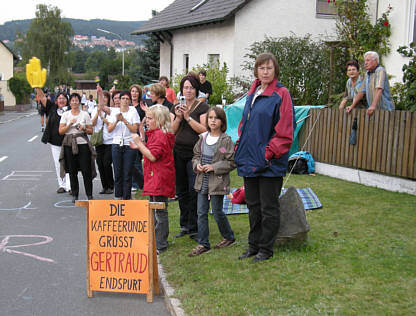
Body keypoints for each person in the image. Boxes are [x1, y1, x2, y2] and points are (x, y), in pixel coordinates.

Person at [234, 53, 296, 262]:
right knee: (253, 205)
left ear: (275, 70)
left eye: (269, 68)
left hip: (269, 162)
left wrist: (268, 153)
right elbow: (245, 125)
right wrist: (240, 145)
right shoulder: (253, 93)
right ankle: (253, 245)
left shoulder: (281, 94)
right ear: (256, 71)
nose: (266, 72)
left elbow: (286, 130)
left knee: (269, 207)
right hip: (249, 159)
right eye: (262, 68)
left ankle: (266, 249)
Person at [188, 107, 236, 257]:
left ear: (222, 121)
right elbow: (195, 155)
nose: (213, 121)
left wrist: (214, 167)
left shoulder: (225, 140)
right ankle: (203, 243)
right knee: (201, 212)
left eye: (216, 118)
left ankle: (228, 236)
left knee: (216, 211)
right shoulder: (202, 138)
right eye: (210, 118)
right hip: (202, 180)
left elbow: (231, 162)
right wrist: (197, 165)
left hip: (218, 181)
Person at [130, 104, 175, 253]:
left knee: (159, 211)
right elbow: (152, 150)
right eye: (146, 118)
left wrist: (138, 143)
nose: (146, 121)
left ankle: (160, 244)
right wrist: (141, 146)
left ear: (160, 120)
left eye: (150, 118)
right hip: (156, 177)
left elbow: (152, 156)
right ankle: (156, 240)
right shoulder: (156, 134)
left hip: (159, 178)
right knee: (155, 210)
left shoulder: (160, 135)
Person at [171, 75, 209, 240]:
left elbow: (204, 130)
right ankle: (184, 224)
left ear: (196, 89)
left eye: (191, 87)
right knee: (181, 190)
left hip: (195, 154)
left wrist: (188, 118)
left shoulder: (202, 107)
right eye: (185, 88)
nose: (188, 90)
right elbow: (172, 131)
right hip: (178, 152)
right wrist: (179, 118)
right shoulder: (177, 107)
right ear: (181, 90)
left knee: (194, 189)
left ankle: (194, 226)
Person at [59, 93, 96, 203]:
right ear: (69, 102)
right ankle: (75, 194)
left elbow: (91, 131)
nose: (74, 102)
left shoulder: (85, 114)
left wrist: (83, 128)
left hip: (82, 143)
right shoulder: (65, 115)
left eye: (76, 100)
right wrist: (69, 124)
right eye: (72, 100)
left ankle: (89, 194)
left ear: (79, 102)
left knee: (86, 170)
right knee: (72, 170)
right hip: (69, 144)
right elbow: (60, 131)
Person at [36, 88, 71, 194]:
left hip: (69, 140)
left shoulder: (71, 109)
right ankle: (62, 185)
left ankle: (70, 186)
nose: (61, 100)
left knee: (70, 163)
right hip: (55, 142)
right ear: (56, 100)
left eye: (63, 98)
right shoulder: (52, 108)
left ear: (67, 100)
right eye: (59, 98)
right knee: (58, 163)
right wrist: (37, 86)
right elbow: (42, 97)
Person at [107, 91, 140, 200]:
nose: (125, 101)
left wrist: (124, 120)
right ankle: (118, 197)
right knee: (117, 172)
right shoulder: (114, 112)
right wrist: (117, 120)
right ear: (119, 100)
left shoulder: (133, 111)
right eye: (123, 98)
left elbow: (135, 129)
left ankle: (126, 198)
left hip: (129, 144)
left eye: (127, 99)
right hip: (116, 144)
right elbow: (109, 129)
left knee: (127, 173)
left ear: (129, 101)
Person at [347, 51, 394, 116]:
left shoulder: (380, 70)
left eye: (368, 60)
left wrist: (373, 106)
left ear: (375, 61)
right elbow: (361, 92)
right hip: (374, 111)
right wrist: (352, 106)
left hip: (385, 110)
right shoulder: (367, 74)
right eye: (365, 61)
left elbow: (379, 89)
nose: (365, 63)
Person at [91, 87, 114, 194]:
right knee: (100, 164)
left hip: (109, 141)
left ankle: (110, 185)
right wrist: (98, 113)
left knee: (106, 163)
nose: (104, 99)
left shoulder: (111, 110)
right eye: (102, 97)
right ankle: (104, 186)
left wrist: (103, 115)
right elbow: (93, 123)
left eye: (106, 97)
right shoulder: (94, 109)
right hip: (99, 141)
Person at [129, 84, 145, 193]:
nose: (134, 93)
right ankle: (133, 182)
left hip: (138, 135)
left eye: (136, 92)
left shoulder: (141, 106)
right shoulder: (127, 106)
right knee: (129, 160)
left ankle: (139, 183)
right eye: (132, 91)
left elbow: (143, 121)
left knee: (136, 160)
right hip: (128, 135)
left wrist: (142, 136)